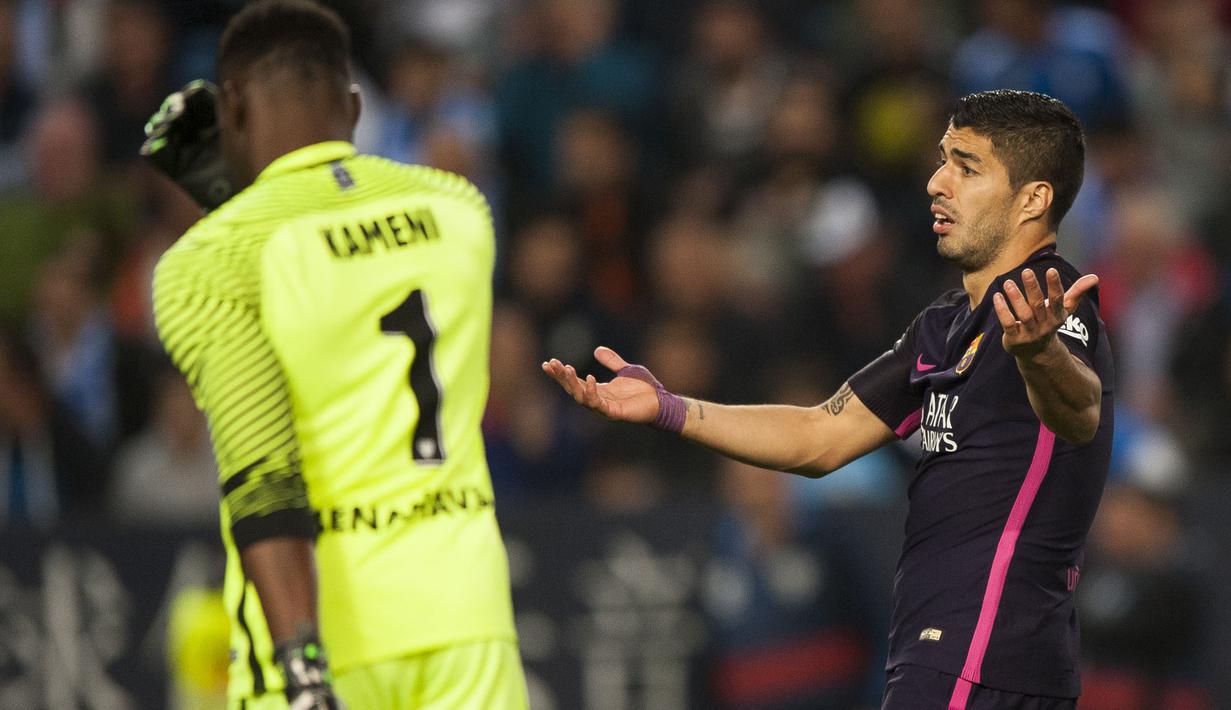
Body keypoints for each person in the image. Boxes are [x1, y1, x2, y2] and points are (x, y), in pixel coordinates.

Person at [545, 89, 1114, 710]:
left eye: (967, 167)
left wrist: (1038, 353)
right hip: (960, 658)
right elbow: (818, 436)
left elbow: (1079, 412)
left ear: (1033, 198)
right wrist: (670, 408)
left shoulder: (1049, 304)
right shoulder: (944, 325)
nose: (936, 182)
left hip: (979, 656)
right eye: (943, 159)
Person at [145, 2, 526, 708]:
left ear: (233, 111)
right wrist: (236, 197)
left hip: (321, 626)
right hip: (466, 622)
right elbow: (347, 266)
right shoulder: (459, 210)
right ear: (352, 106)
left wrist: (302, 667)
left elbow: (263, 471)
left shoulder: (210, 261)